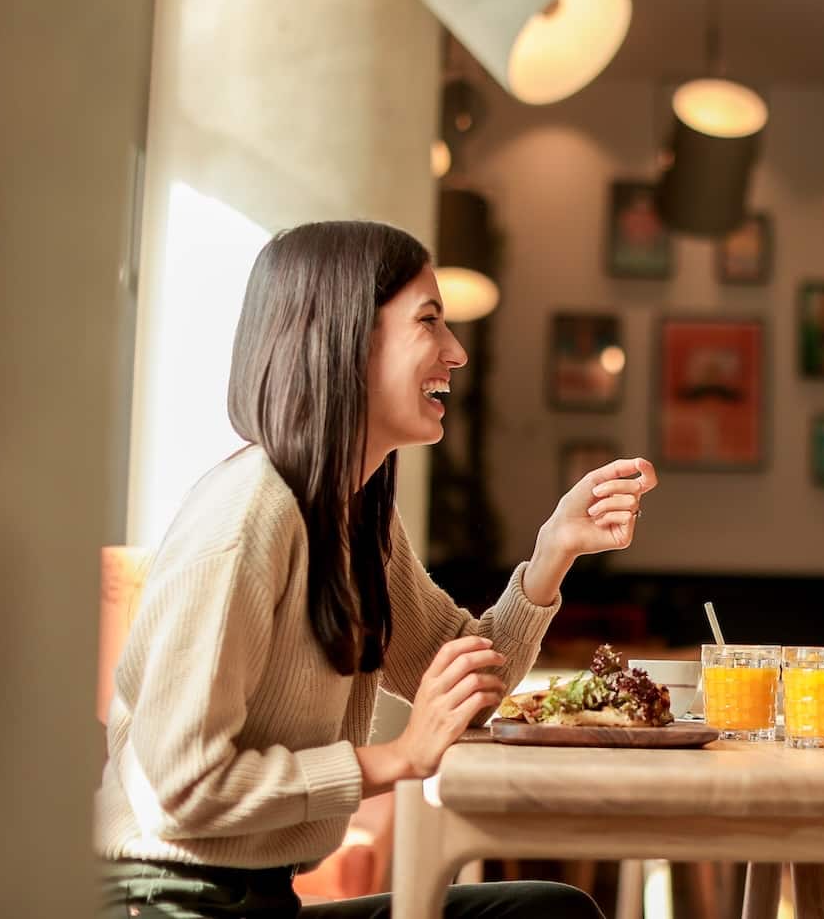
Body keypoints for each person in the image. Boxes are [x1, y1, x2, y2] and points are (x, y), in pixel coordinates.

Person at [97, 220, 657, 919]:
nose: (456, 352)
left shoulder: (355, 515)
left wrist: (554, 552)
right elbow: (176, 787)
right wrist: (396, 758)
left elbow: (465, 682)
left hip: (261, 901)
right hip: (166, 904)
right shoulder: (247, 515)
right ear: (347, 339)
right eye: (429, 320)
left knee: (547, 914)